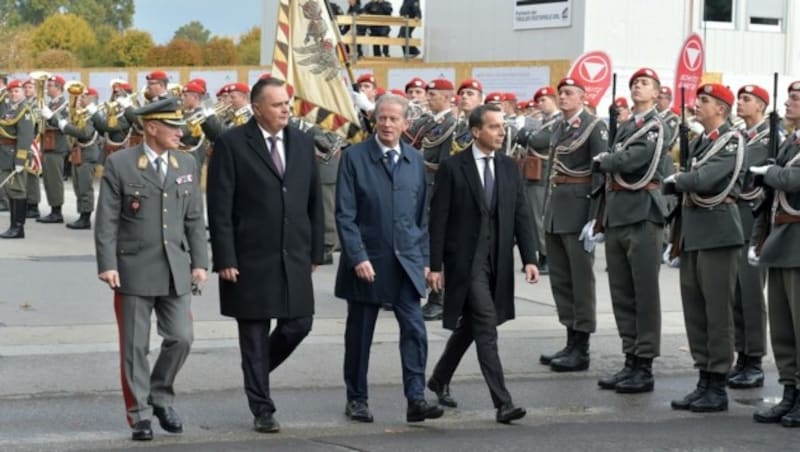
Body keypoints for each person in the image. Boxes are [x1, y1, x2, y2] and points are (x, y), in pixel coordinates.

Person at [207, 77, 324, 433]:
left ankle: (255, 372)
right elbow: (220, 206)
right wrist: (225, 257)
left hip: (294, 253)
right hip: (250, 256)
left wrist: (316, 249)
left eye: (287, 103)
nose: (286, 109)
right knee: (255, 332)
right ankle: (262, 407)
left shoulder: (303, 143)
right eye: (277, 104)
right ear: (257, 109)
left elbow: (314, 200)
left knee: (299, 323)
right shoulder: (232, 144)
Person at [94, 97, 208, 441]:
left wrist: (201, 262)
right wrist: (108, 265)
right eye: (173, 127)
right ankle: (140, 415)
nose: (180, 132)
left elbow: (193, 219)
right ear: (152, 128)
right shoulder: (122, 164)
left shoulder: (186, 162)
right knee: (134, 348)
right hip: (133, 269)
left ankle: (158, 395)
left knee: (181, 338)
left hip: (176, 268)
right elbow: (107, 221)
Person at [426, 103, 539, 423]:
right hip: (465, 262)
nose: (501, 132)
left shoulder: (507, 166)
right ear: (476, 132)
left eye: (502, 126)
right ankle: (503, 403)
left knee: (472, 326)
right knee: (486, 324)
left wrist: (529, 258)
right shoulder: (453, 167)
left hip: (497, 261)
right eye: (493, 127)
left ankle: (438, 378)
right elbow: (439, 219)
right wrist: (435, 266)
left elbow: (521, 213)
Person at [335, 94, 443, 424]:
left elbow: (420, 217)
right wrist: (357, 257)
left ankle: (416, 398)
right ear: (375, 120)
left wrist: (424, 260)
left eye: (394, 119)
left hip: (406, 265)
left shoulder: (414, 160)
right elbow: (345, 214)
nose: (387, 124)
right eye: (382, 117)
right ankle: (357, 398)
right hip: (367, 263)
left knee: (415, 331)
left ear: (406, 124)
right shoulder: (354, 157)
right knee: (360, 335)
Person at [664, 83, 744, 413]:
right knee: (695, 309)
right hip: (694, 230)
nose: (698, 105)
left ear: (722, 109)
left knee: (717, 312)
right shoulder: (700, 140)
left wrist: (677, 181)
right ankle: (703, 376)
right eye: (698, 99)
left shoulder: (731, 141)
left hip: (718, 231)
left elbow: (705, 179)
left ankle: (718, 383)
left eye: (705, 101)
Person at [594, 68, 669, 393]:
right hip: (619, 213)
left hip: (642, 215)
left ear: (657, 92)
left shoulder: (656, 126)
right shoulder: (627, 125)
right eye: (634, 83)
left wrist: (609, 160)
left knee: (645, 294)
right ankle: (630, 357)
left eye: (644, 84)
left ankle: (645, 363)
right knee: (622, 292)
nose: (638, 87)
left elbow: (634, 160)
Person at [538, 78, 606, 372]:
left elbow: (600, 173)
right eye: (560, 93)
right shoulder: (559, 127)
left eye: (568, 93)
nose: (562, 97)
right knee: (562, 281)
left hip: (579, 212)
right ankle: (570, 338)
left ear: (583, 97)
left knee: (581, 281)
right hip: (557, 211)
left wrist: (595, 217)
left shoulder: (594, 127)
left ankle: (582, 347)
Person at [750, 80, 800, 426]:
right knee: (783, 329)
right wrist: (759, 240)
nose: (788, 103)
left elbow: (793, 181)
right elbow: (768, 202)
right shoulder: (791, 142)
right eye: (789, 97)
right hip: (782, 239)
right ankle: (790, 391)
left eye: (795, 99)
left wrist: (772, 173)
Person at [727, 84, 771, 389]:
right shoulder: (739, 136)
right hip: (734, 222)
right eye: (739, 99)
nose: (740, 104)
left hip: (755, 222)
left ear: (761, 106)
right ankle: (741, 355)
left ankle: (754, 359)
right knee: (736, 295)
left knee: (752, 295)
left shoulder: (770, 138)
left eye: (747, 100)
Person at [59, 86, 102, 230]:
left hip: (88, 154)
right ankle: (82, 215)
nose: (80, 99)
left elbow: (85, 133)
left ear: (91, 98)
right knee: (78, 186)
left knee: (85, 186)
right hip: (79, 152)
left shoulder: (92, 114)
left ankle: (85, 217)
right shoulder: (82, 113)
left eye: (83, 97)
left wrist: (65, 127)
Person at [0, 79, 34, 239]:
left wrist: (20, 161)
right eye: (12, 91)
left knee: (18, 191)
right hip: (5, 155)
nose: (14, 94)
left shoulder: (25, 111)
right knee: (10, 192)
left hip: (15, 155)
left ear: (23, 93)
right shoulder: (11, 110)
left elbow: (25, 138)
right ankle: (13, 226)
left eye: (17, 91)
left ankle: (18, 227)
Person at [38, 74, 68, 224]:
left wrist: (50, 117)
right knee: (49, 180)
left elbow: (64, 125)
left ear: (58, 88)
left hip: (57, 145)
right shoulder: (51, 104)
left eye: (49, 86)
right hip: (48, 144)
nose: (46, 88)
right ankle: (53, 209)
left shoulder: (64, 104)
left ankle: (57, 212)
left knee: (55, 180)